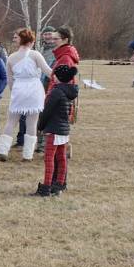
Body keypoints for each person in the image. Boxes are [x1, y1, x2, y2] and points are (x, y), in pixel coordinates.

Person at [0, 28, 54, 162]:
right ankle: (27, 155)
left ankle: (2, 151)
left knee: (11, 121)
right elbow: (48, 72)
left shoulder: (11, 57)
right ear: (30, 41)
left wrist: (15, 92)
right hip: (34, 89)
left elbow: (10, 80)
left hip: (19, 89)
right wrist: (63, 78)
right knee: (32, 122)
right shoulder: (36, 55)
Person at [33, 64, 79, 197]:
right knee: (61, 158)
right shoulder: (69, 91)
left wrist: (40, 126)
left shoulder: (56, 91)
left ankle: (46, 187)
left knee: (49, 159)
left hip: (54, 129)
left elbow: (47, 111)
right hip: (64, 130)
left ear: (59, 77)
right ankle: (58, 185)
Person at [47, 25, 81, 184]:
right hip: (59, 103)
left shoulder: (66, 57)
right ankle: (59, 182)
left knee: (57, 149)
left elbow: (65, 84)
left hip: (59, 106)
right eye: (52, 38)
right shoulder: (63, 55)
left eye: (56, 39)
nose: (52, 41)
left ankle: (56, 182)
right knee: (59, 146)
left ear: (65, 40)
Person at [36, 26, 57, 152]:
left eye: (50, 34)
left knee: (50, 114)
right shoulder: (40, 49)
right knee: (39, 115)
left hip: (51, 85)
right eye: (45, 34)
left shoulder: (57, 50)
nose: (47, 36)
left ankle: (49, 143)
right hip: (38, 86)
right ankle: (40, 143)